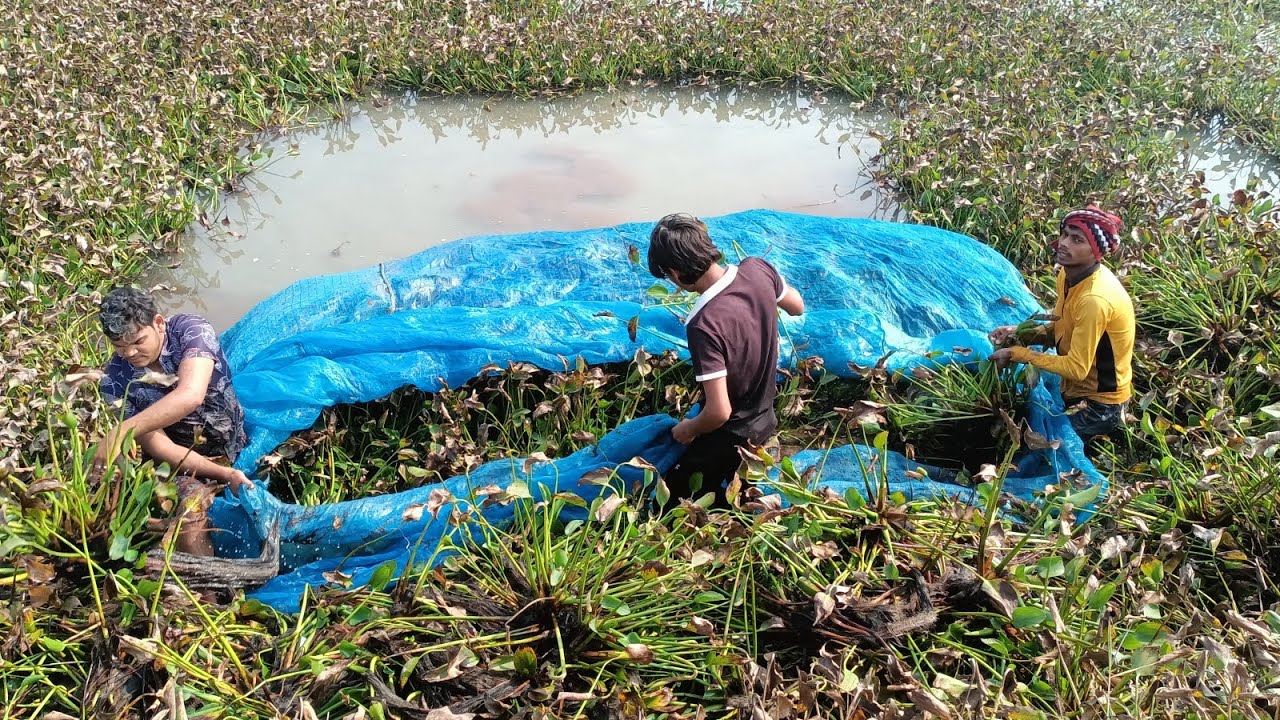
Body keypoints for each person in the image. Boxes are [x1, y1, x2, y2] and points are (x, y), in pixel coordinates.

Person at [647, 213, 805, 508]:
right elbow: (796, 306)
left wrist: (689, 428)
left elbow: (719, 411)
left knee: (665, 502)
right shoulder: (757, 268)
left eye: (668, 277)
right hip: (765, 420)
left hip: (732, 436)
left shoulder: (703, 323)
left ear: (676, 274)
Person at [93, 287, 254, 555]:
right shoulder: (114, 381)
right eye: (120, 347)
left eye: (137, 341)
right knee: (190, 518)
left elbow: (190, 396)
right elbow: (160, 448)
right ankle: (210, 591)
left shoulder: (190, 330)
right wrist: (223, 474)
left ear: (158, 322)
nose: (130, 353)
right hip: (182, 465)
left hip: (235, 438)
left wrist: (121, 431)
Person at [990, 206, 1135, 439]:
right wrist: (1021, 332)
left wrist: (1018, 353)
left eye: (1077, 240)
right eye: (1065, 234)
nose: (1065, 243)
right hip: (1073, 389)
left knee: (1037, 445)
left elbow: (1077, 369)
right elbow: (1062, 325)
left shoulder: (1094, 300)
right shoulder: (1067, 275)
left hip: (1100, 405)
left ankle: (1112, 427)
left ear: (1096, 252)